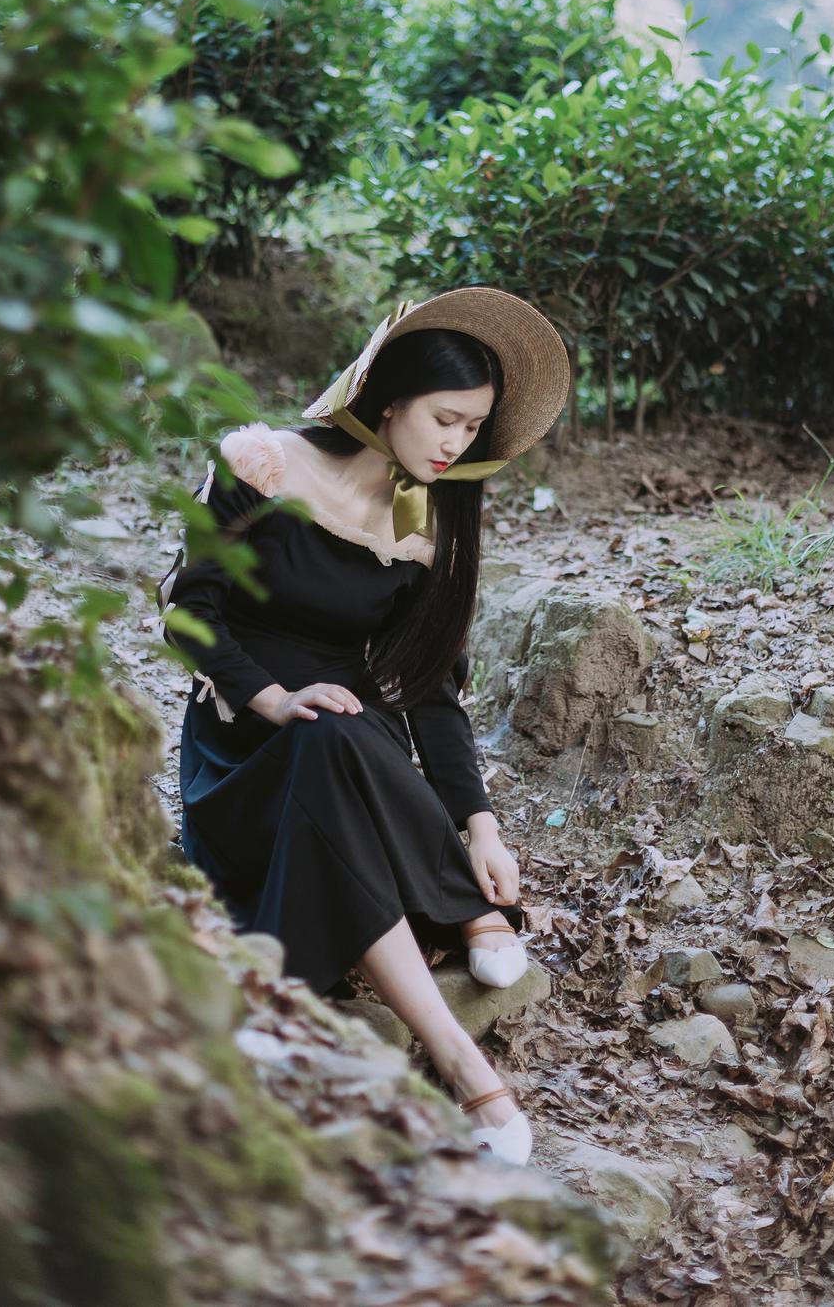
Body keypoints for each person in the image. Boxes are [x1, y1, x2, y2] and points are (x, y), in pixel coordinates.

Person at [159, 286, 570, 1165]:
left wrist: (482, 826)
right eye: (445, 420)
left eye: (473, 429)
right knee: (321, 732)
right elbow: (188, 612)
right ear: (389, 401)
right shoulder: (262, 464)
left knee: (341, 734)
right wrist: (275, 699)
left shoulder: (429, 521)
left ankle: (454, 1031)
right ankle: (462, 1038)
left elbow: (430, 690)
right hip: (242, 740)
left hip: (351, 744)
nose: (456, 444)